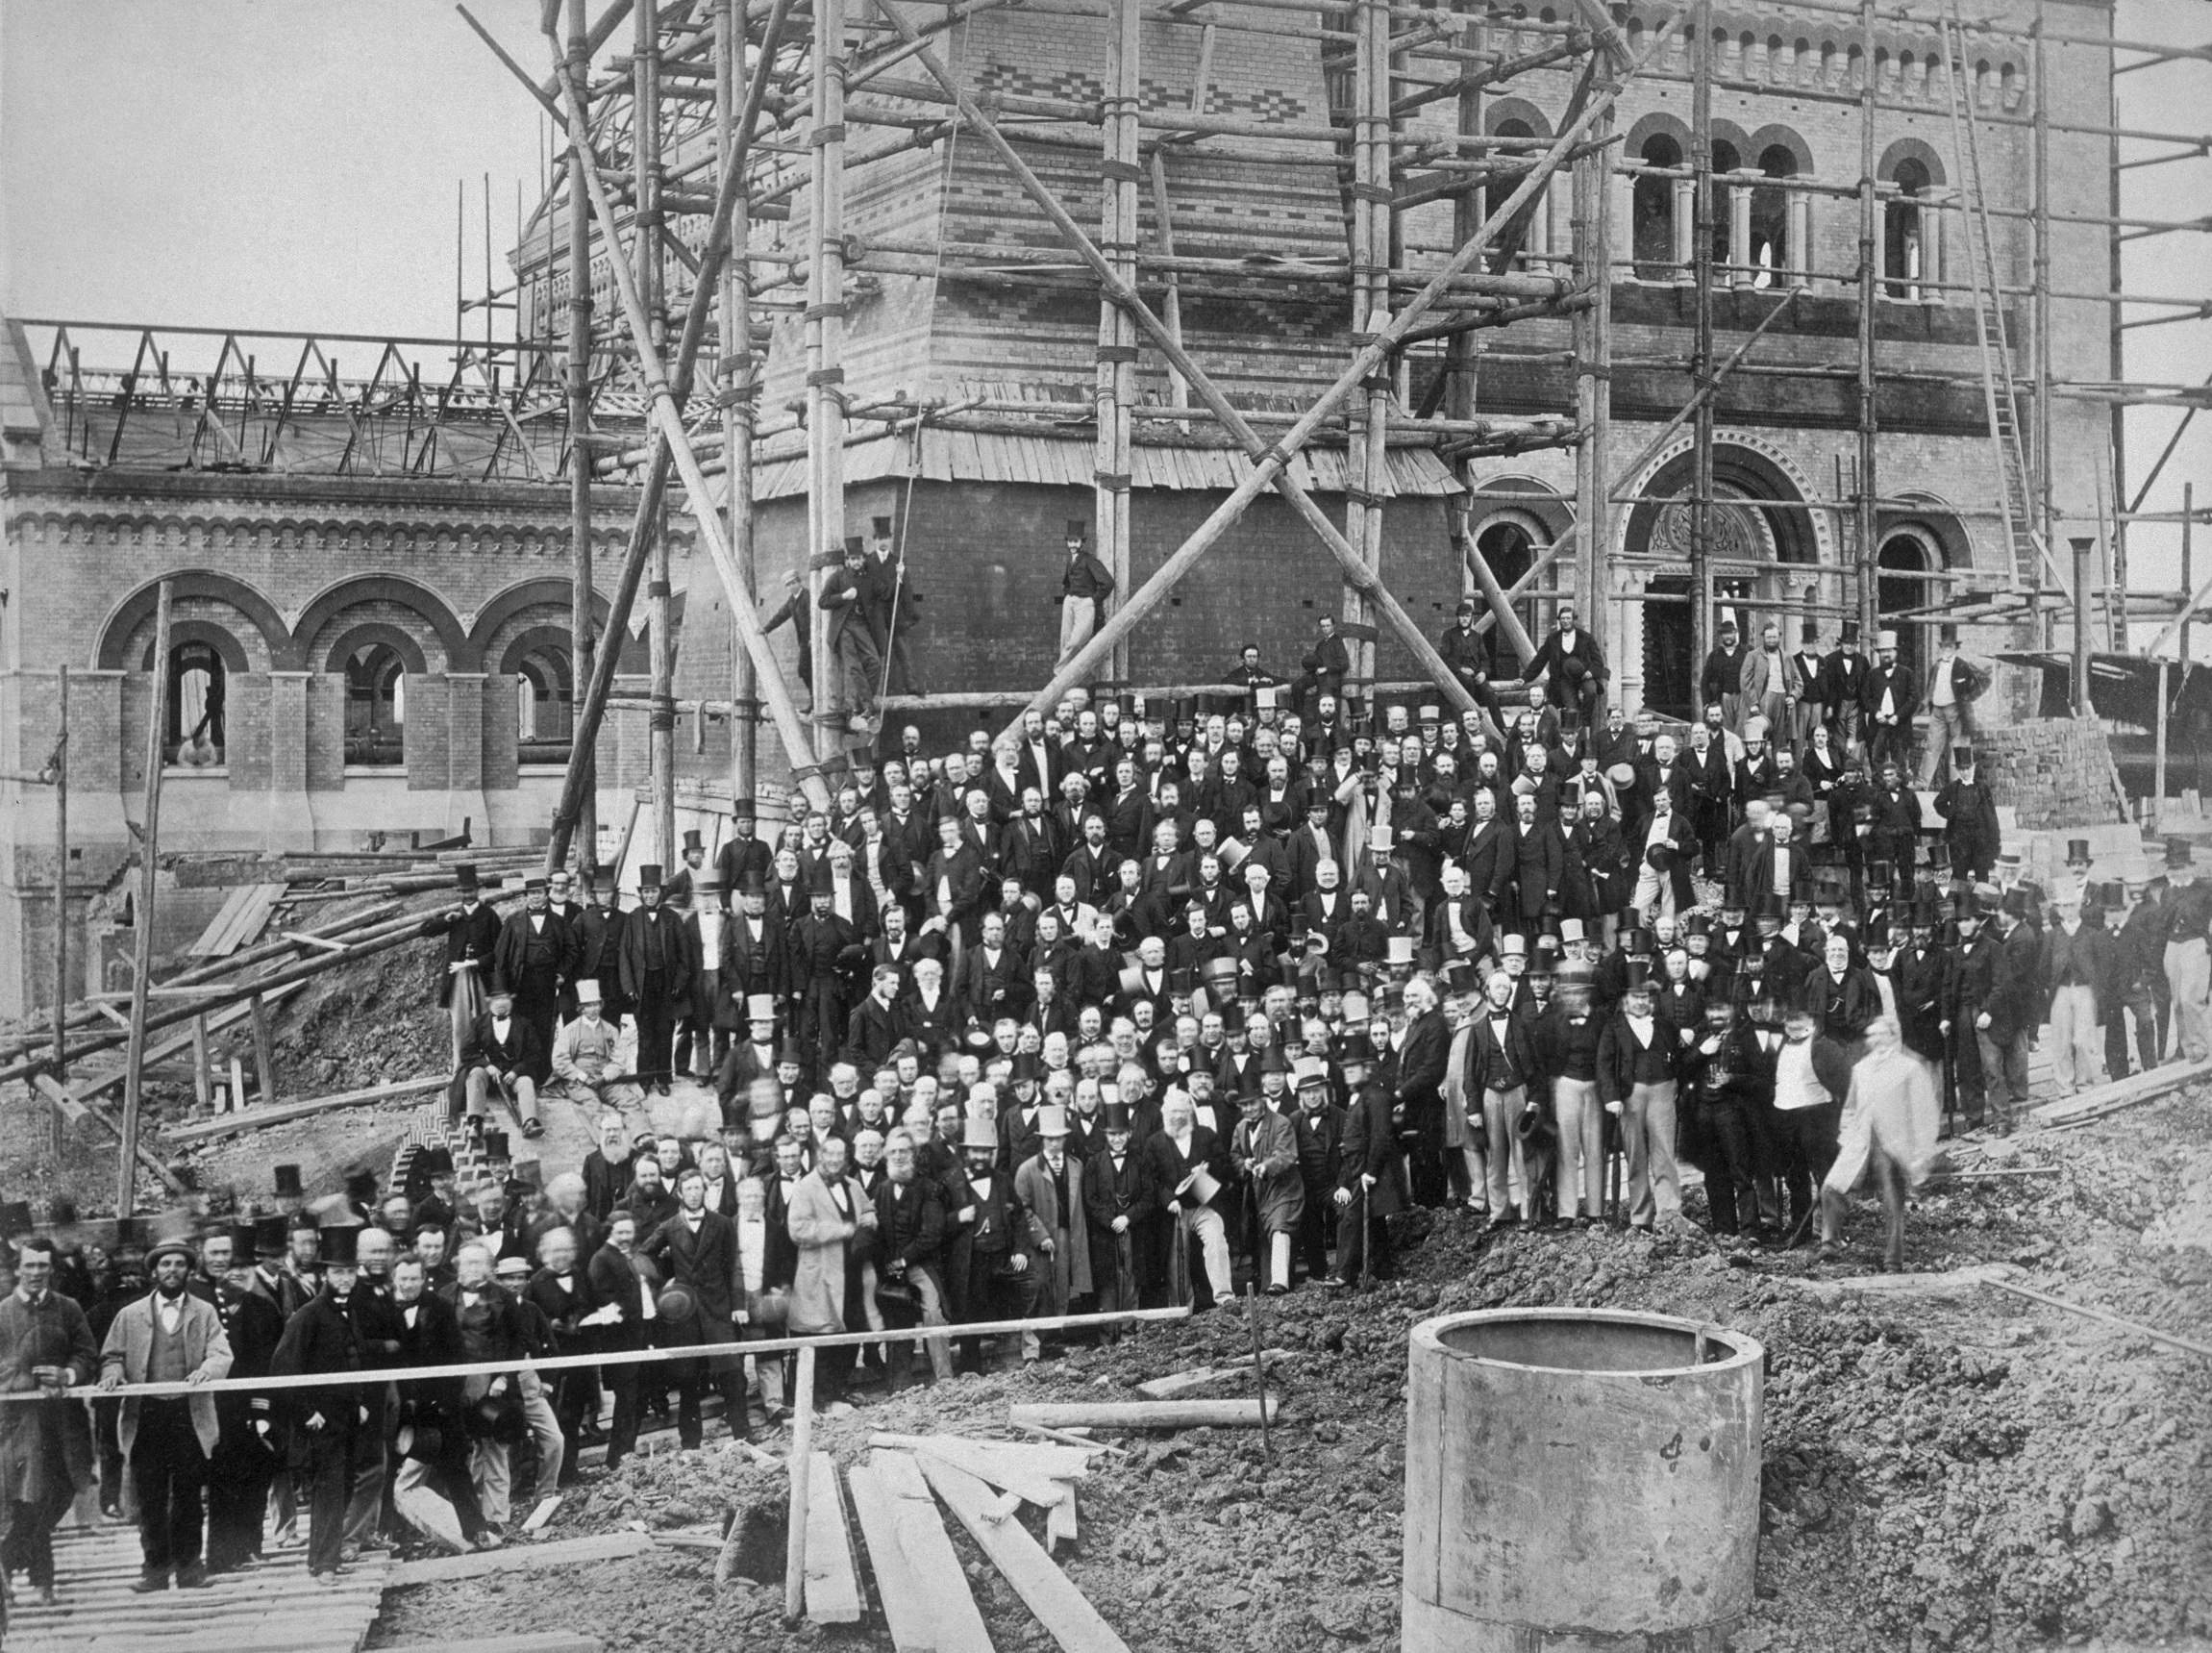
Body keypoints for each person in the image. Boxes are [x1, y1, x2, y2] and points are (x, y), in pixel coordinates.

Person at [0, 1237, 98, 1606]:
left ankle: (7, 1559)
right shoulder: (2, 1312)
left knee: (63, 1492)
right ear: (17, 1270)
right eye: (30, 1265)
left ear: (52, 1271)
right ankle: (45, 1584)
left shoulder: (68, 1308)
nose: (37, 1272)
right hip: (18, 1425)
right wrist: (27, 1380)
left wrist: (68, 1375)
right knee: (31, 1500)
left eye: (43, 1266)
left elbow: (87, 1354)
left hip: (64, 1424)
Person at [268, 1223, 365, 1583]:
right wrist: (308, 1413)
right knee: (327, 1489)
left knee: (344, 1487)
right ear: (326, 1273)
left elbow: (353, 1360)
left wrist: (360, 1401)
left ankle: (324, 1556)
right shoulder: (308, 1315)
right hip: (321, 1420)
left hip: (348, 1416)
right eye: (339, 1272)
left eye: (351, 1271)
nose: (345, 1278)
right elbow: (283, 1368)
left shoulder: (348, 1310)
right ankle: (324, 1563)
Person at [1821, 1014, 1941, 1270]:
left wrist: (1922, 1152)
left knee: (1891, 1202)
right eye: (1871, 1036)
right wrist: (1846, 1136)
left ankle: (1893, 1260)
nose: (1876, 1041)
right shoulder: (1861, 1069)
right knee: (1830, 1188)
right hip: (1861, 1143)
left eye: (1881, 1035)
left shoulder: (1909, 1068)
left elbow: (1924, 1114)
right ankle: (1830, 1244)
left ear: (1893, 1037)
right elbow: (1850, 1107)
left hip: (1893, 1146)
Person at [641, 1168, 750, 1443]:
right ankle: (690, 1443)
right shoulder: (670, 1226)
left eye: (697, 1188)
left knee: (731, 1374)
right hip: (685, 1315)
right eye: (687, 1189)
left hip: (718, 1309)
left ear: (705, 1191)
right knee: (688, 1380)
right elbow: (642, 1257)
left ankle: (743, 1437)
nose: (693, 1194)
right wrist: (665, 1287)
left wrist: (738, 1304)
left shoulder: (722, 1223)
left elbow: (734, 1266)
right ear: (679, 1193)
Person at [618, 863, 692, 1096]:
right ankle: (645, 1078)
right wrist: (629, 986)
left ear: (661, 893)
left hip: (667, 983)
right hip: (642, 983)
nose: (650, 895)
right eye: (646, 892)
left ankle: (663, 1078)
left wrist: (680, 982)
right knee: (645, 1033)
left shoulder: (672, 918)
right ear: (640, 894)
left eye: (654, 891)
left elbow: (684, 955)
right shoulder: (632, 919)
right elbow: (624, 956)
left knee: (665, 1031)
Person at [820, 536, 883, 731]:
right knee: (854, 666)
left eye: (859, 559)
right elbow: (823, 601)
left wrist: (898, 578)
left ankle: (859, 705)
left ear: (863, 559)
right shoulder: (838, 577)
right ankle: (867, 707)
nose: (856, 562)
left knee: (874, 663)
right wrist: (843, 597)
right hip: (844, 627)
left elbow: (885, 592)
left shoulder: (869, 577)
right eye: (852, 559)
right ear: (847, 561)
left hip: (861, 625)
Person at [460, 989, 544, 1138]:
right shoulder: (478, 1024)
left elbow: (535, 1054)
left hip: (513, 1077)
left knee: (526, 1082)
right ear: (489, 1002)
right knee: (475, 1074)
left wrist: (516, 1071)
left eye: (504, 999)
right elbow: (466, 1053)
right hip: (488, 1077)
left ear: (511, 1001)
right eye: (496, 1000)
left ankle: (530, 1123)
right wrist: (487, 1066)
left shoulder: (524, 1024)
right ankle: (475, 1123)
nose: (500, 1004)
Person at [1919, 627, 1989, 785]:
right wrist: (1926, 701)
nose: (1947, 649)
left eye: (1950, 646)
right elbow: (1931, 687)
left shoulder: (1963, 665)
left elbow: (1984, 680)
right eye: (1944, 646)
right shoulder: (1936, 666)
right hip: (1937, 712)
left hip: (1956, 711)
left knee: (1957, 749)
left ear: (1956, 648)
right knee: (1931, 748)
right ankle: (1922, 784)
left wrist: (1969, 696)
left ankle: (1956, 786)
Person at [1056, 519, 1116, 671]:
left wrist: (1092, 600)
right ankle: (1064, 675)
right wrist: (1068, 597)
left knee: (1077, 641)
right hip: (1070, 603)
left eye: (1075, 541)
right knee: (1065, 640)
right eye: (1069, 542)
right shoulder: (1070, 562)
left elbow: (1108, 582)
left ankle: (1067, 673)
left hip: (1085, 604)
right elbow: (1066, 583)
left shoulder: (1089, 560)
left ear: (1081, 542)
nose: (1072, 545)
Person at [761, 569, 814, 700]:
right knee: (804, 671)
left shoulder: (808, 596)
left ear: (799, 582)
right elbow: (781, 616)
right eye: (788, 585)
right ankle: (814, 698)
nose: (791, 586)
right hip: (804, 642)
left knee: (807, 670)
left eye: (793, 583)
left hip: (813, 640)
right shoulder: (792, 601)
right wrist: (766, 629)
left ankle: (815, 700)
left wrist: (814, 636)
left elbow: (816, 616)